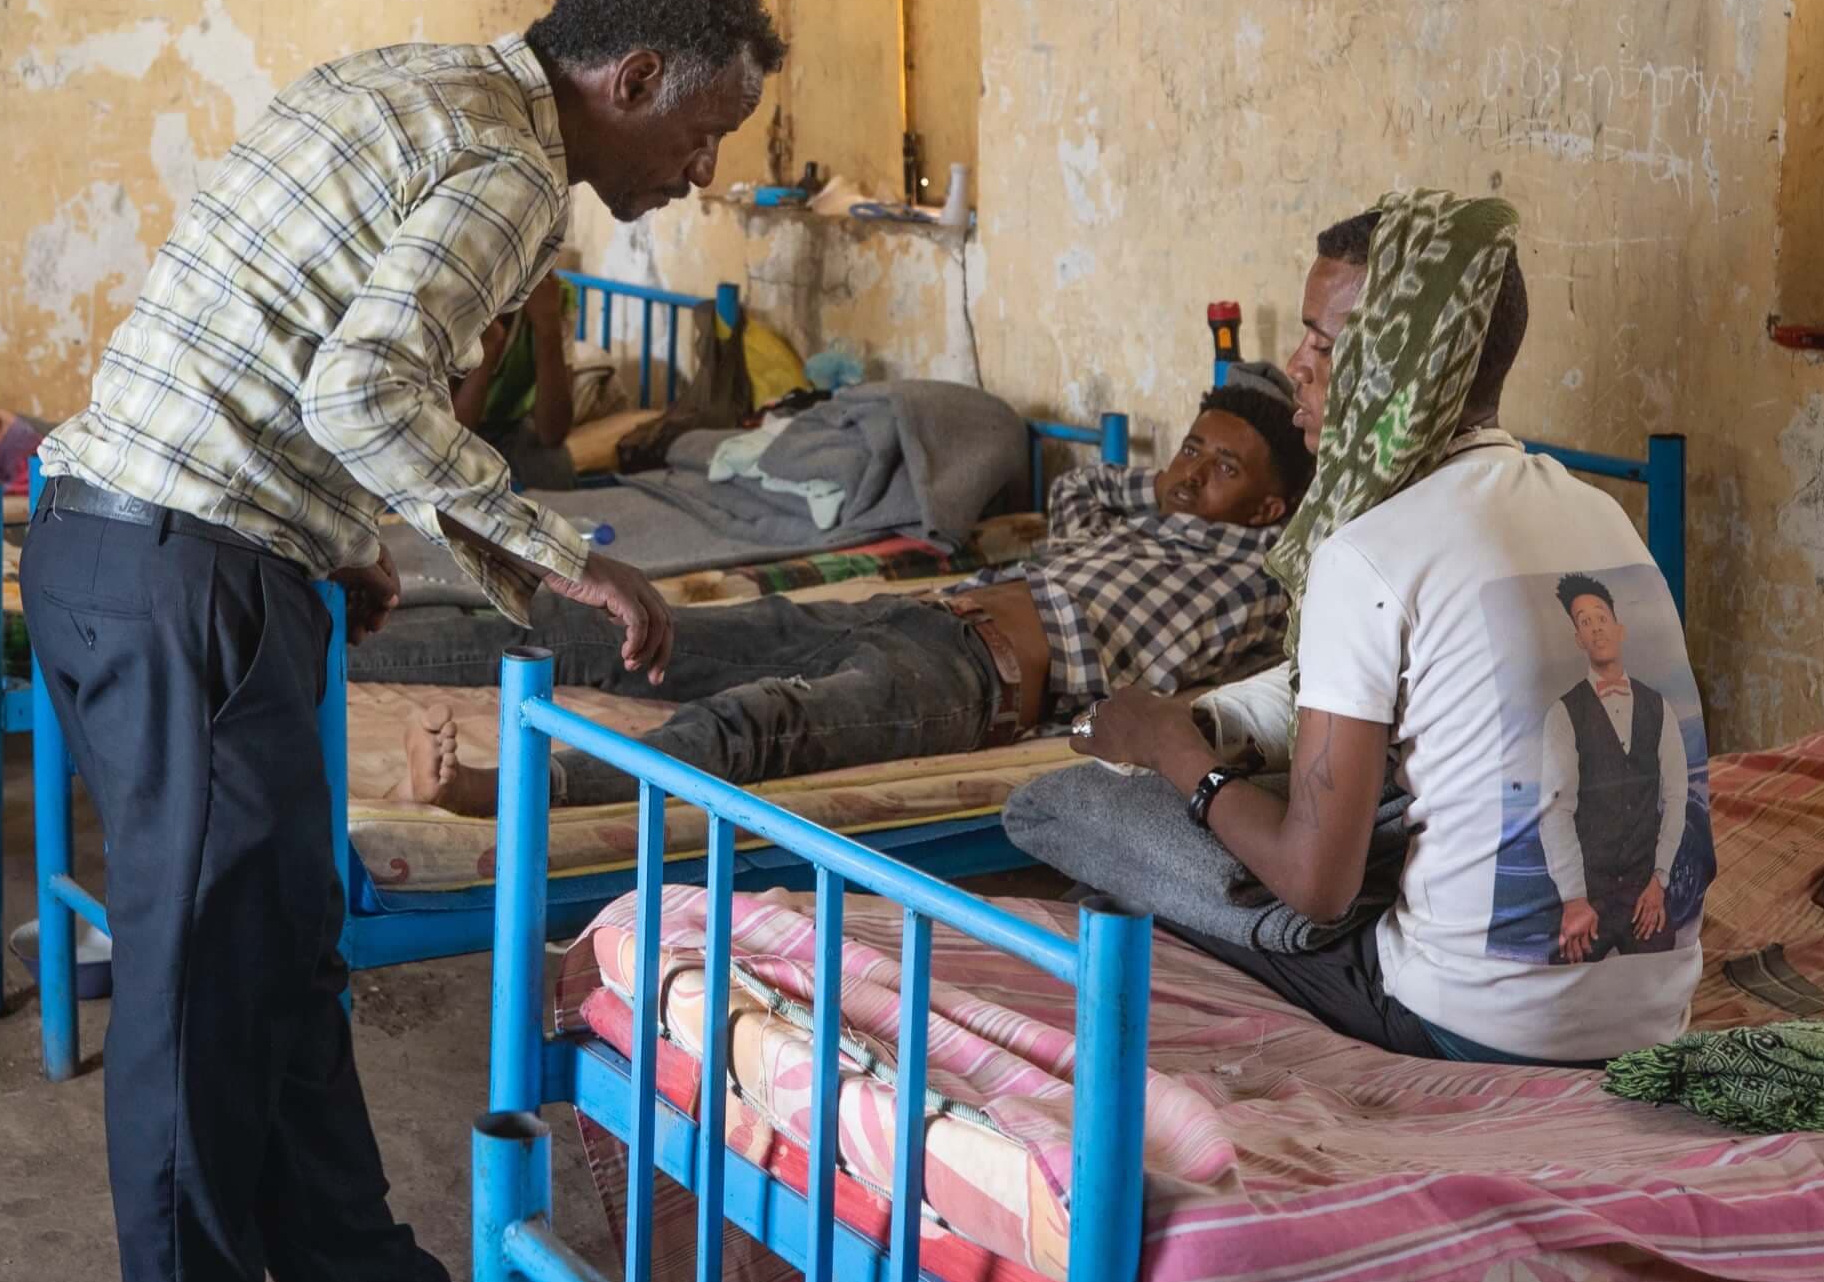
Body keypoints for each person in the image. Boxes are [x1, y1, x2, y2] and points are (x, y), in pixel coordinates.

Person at [25, 0, 778, 1282]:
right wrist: (565, 556)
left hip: (141, 545)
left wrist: (333, 542)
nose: (699, 172)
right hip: (185, 574)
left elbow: (281, 340)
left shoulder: (408, 83)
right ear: (631, 78)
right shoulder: (512, 173)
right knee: (203, 997)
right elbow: (361, 391)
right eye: (701, 133)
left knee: (272, 977)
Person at [1030, 192, 1713, 1069]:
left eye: (1325, 343)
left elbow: (1317, 888)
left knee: (1066, 810)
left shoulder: (1369, 551)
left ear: (1406, 360)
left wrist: (1171, 749)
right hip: (1654, 1015)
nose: (1296, 366)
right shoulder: (1603, 517)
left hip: (1467, 1026)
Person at [378, 374, 1311, 813]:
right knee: (619, 628)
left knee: (755, 723)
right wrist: (1172, 482)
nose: (1190, 474)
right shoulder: (1135, 520)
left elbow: (1315, 574)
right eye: (1189, 448)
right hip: (909, 612)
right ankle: (345, 642)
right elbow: (1080, 491)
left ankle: (500, 791)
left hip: (968, 679)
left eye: (1223, 467)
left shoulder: (1263, 576)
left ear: (1272, 508)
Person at [1539, 573, 1691, 962]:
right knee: (1563, 977)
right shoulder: (1563, 713)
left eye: (1601, 617)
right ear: (1578, 639)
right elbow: (1556, 811)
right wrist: (1574, 898)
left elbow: (1676, 797)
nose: (1595, 628)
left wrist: (1659, 881)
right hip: (1589, 896)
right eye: (1584, 622)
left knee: (1662, 968)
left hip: (1644, 892)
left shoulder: (1659, 707)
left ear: (1619, 629)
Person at [453, 271, 577, 489]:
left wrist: (548, 328)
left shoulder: (555, 295)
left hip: (510, 424)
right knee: (451, 467)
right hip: (453, 424)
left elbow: (552, 433)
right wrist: (489, 348)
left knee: (555, 465)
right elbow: (452, 433)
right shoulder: (456, 295)